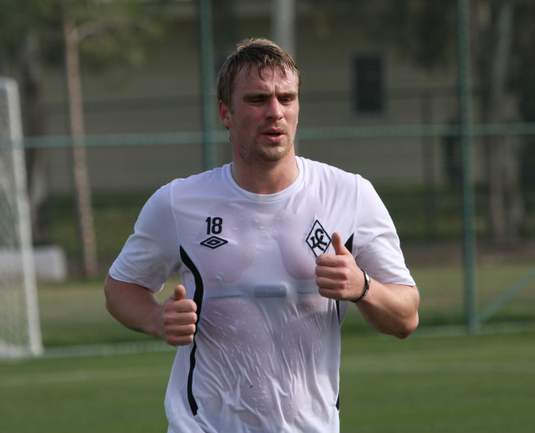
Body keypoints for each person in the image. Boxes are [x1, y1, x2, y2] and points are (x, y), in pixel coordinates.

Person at [105, 38, 419, 433]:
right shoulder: (177, 203)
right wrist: (155, 318)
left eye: (286, 98)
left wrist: (363, 286)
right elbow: (120, 287)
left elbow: (406, 317)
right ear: (226, 112)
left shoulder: (350, 195)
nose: (275, 112)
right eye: (257, 99)